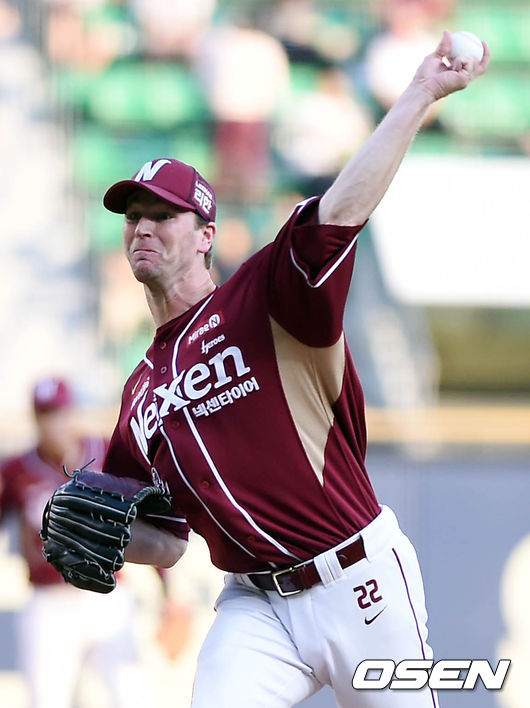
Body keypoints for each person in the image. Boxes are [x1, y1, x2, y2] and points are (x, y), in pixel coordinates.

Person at [84, 32, 488, 707]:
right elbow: (169, 542)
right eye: (132, 216)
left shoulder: (266, 295)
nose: (142, 227)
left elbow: (342, 209)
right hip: (254, 606)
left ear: (207, 235)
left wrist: (420, 93)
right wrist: (109, 537)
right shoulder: (139, 393)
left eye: (162, 214)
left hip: (355, 578)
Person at [0, 377, 150, 708]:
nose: (53, 423)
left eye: (59, 412)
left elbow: (148, 518)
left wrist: (173, 592)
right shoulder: (17, 470)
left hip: (108, 596)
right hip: (49, 599)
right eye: (45, 414)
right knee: (45, 699)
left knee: (131, 696)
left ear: (73, 412)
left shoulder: (106, 452)